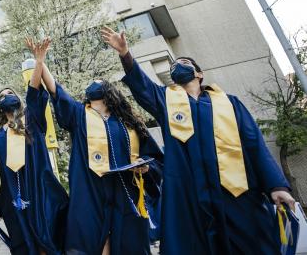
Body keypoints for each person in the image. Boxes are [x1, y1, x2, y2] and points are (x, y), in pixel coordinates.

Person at [101, 25, 296, 254]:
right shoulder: (166, 101)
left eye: (185, 63)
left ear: (199, 73)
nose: (177, 66)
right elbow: (142, 88)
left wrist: (276, 185)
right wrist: (125, 53)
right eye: (175, 65)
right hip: (189, 194)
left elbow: (254, 144)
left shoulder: (230, 103)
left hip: (235, 192)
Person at [44, 34, 163, 255]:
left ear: (110, 92)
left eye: (100, 82)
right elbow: (55, 91)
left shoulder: (130, 123)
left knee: (129, 246)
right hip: (90, 193)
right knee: (92, 246)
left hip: (125, 192)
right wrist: (40, 62)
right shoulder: (79, 115)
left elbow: (154, 159)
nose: (94, 83)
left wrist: (145, 166)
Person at [0, 38, 69, 254]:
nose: (6, 97)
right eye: (2, 96)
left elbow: (33, 92)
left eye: (10, 94)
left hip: (37, 188)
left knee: (44, 240)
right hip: (10, 196)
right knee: (23, 244)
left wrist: (39, 61)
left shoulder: (31, 119)